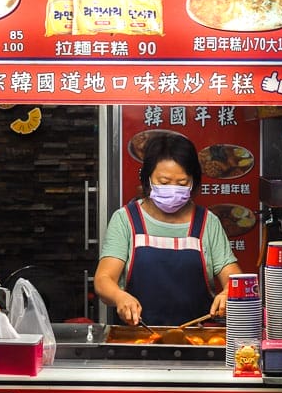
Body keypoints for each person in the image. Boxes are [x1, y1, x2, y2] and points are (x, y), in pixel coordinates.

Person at [94, 132, 243, 327]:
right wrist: (119, 297)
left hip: (196, 339)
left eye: (182, 183)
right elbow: (103, 279)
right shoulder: (126, 220)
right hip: (138, 337)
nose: (172, 189)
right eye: (164, 182)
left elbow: (235, 278)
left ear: (193, 182)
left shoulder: (207, 222)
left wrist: (228, 292)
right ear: (147, 178)